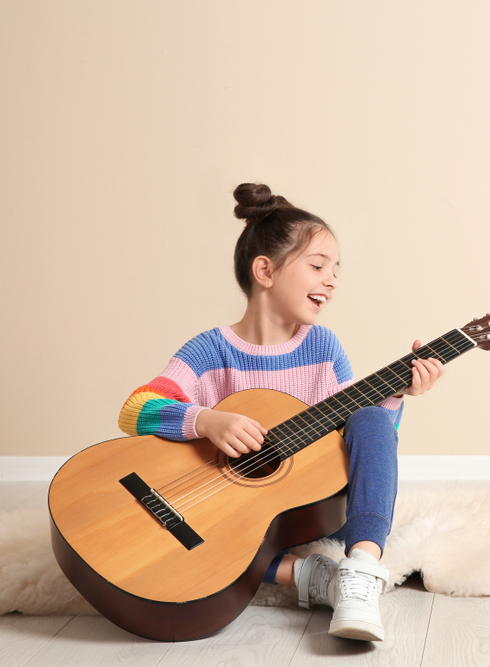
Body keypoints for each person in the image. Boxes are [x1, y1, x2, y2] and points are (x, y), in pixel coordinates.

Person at [117, 182, 444, 642]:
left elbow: (367, 441)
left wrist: (397, 395)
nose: (331, 280)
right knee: (200, 552)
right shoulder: (210, 350)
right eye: (317, 266)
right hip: (239, 519)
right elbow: (135, 410)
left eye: (336, 270)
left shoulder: (324, 348)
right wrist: (206, 420)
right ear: (265, 271)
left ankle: (360, 573)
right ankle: (310, 577)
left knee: (368, 417)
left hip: (315, 511)